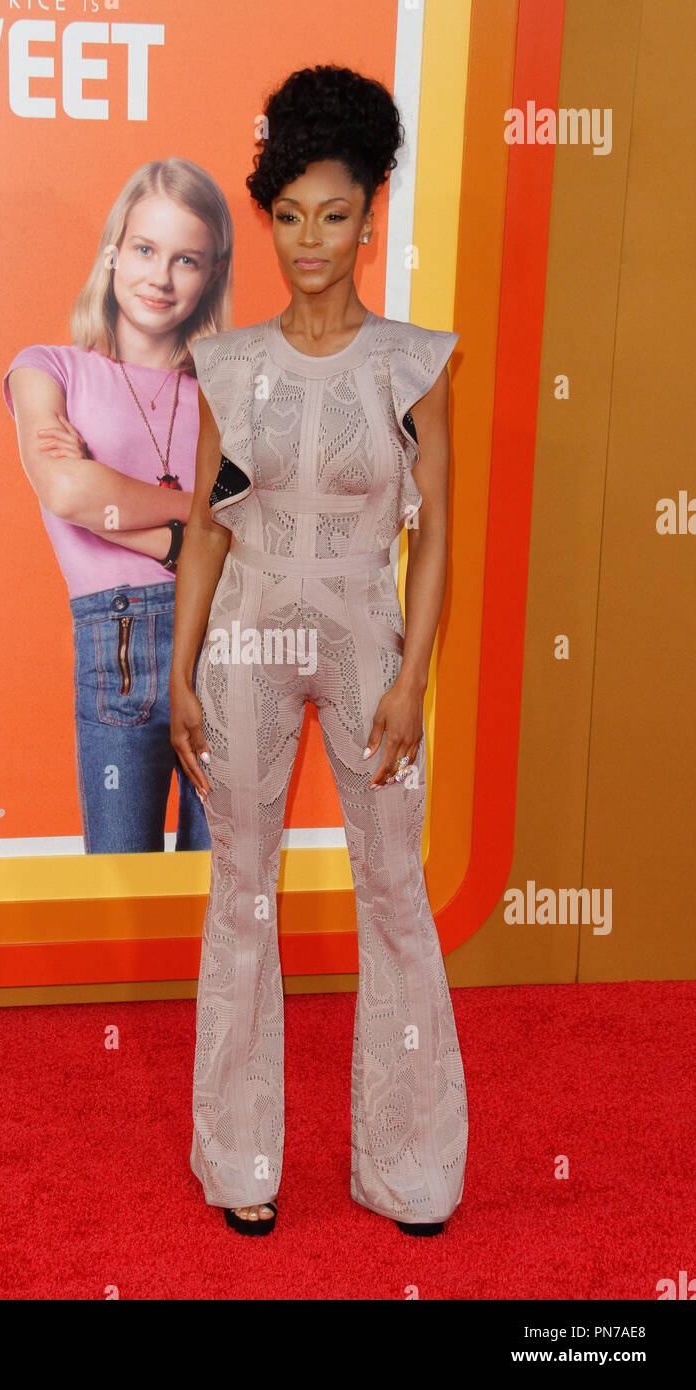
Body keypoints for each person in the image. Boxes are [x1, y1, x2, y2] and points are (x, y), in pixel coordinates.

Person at [169, 66, 468, 1235]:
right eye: (288, 214)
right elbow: (202, 523)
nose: (308, 240)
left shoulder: (413, 362)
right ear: (267, 214)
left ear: (370, 209)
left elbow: (435, 526)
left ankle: (409, 1169)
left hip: (366, 652)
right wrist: (185, 670)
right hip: (243, 645)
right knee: (241, 894)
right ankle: (239, 1160)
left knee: (393, 891)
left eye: (333, 213)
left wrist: (413, 676)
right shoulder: (227, 365)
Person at [3, 160, 232, 853]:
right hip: (120, 645)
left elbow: (256, 523)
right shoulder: (49, 369)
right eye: (144, 249)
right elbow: (69, 493)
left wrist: (136, 512)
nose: (161, 277)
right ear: (113, 252)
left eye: (185, 259)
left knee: (221, 887)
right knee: (120, 879)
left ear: (210, 275)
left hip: (230, 640)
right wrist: (185, 528)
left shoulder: (227, 390)